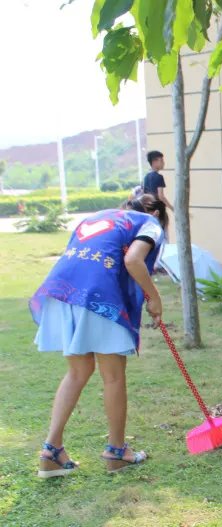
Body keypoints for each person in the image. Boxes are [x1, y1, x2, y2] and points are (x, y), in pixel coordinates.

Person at [30, 194, 167, 478]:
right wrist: (154, 297)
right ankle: (117, 452)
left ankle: (51, 451)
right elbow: (133, 260)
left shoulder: (97, 217)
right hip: (97, 296)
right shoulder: (149, 223)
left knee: (77, 372)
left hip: (63, 291)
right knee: (113, 376)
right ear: (154, 211)